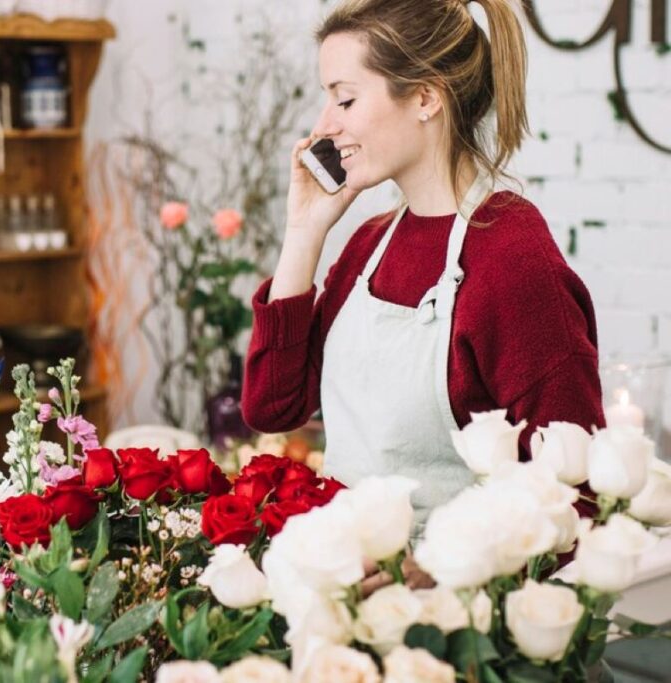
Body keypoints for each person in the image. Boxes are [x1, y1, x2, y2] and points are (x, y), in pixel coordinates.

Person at [241, 0, 604, 539]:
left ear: (426, 98)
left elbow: (576, 495)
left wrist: (436, 573)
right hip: (348, 573)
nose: (324, 126)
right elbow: (273, 407)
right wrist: (304, 230)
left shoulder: (513, 257)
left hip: (456, 587)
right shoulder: (369, 246)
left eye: (345, 99)